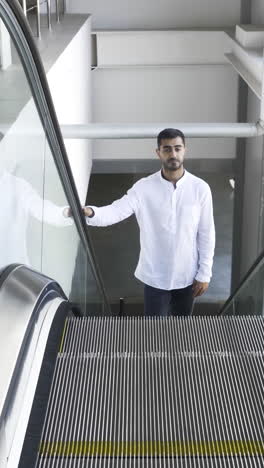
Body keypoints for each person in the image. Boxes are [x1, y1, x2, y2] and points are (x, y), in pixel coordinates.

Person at [83, 128, 215, 316]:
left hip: (187, 276)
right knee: (152, 333)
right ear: (158, 152)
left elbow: (206, 233)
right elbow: (116, 211)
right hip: (155, 277)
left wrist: (205, 273)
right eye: (167, 149)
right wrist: (90, 212)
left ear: (185, 150)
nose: (173, 154)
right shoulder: (143, 187)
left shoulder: (200, 188)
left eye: (177, 148)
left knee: (182, 332)